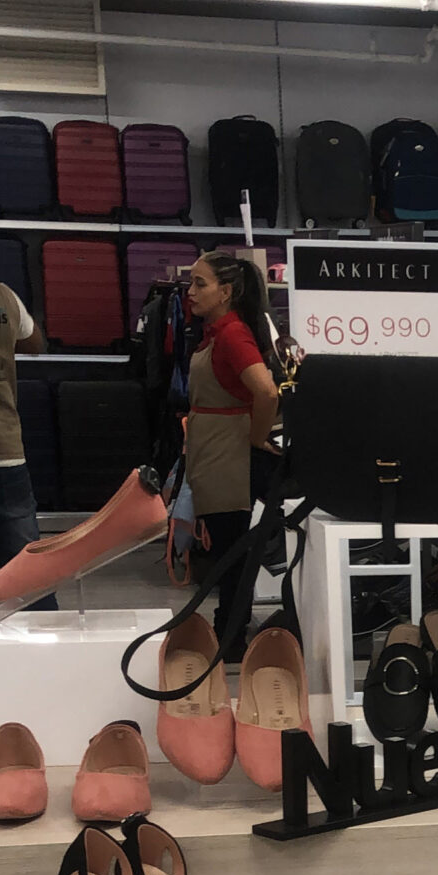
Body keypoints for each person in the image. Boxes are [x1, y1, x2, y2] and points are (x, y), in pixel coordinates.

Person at [181, 250, 281, 654]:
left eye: (200, 283)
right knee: (228, 550)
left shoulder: (232, 335)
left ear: (225, 292)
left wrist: (256, 439)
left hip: (228, 454)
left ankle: (230, 638)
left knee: (231, 553)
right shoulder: (216, 333)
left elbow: (267, 392)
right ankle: (229, 633)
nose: (190, 291)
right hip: (216, 449)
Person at [0, 275, 55, 605]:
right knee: (32, 580)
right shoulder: (4, 296)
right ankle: (47, 631)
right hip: (5, 452)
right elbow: (34, 343)